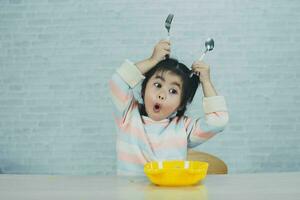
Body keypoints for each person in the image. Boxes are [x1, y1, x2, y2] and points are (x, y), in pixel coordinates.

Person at [109, 39, 229, 176]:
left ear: (181, 104)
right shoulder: (128, 115)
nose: (161, 95)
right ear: (143, 89)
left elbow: (219, 121)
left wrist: (206, 82)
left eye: (173, 91)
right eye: (158, 85)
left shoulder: (184, 128)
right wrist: (152, 60)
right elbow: (118, 81)